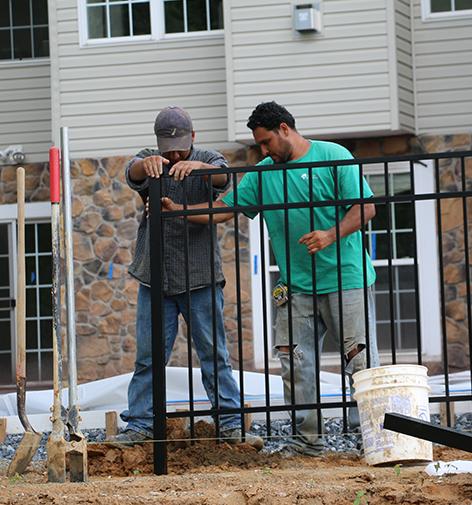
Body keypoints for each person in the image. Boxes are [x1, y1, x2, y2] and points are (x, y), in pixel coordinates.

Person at [161, 101, 378, 458]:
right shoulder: (264, 173)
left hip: (346, 280)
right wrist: (179, 211)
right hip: (296, 287)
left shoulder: (333, 156)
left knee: (361, 362)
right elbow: (225, 209)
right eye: (259, 144)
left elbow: (366, 207)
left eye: (266, 142)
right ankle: (307, 442)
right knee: (294, 362)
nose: (263, 150)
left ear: (285, 129)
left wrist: (330, 235)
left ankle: (371, 439)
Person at [105, 106, 262, 449]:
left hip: (200, 276)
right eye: (167, 149)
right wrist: (147, 164)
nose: (174, 155)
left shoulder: (208, 158)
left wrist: (200, 169)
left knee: (214, 355)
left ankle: (230, 424)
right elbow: (132, 171)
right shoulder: (151, 159)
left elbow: (224, 177)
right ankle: (142, 425)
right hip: (154, 277)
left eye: (180, 148)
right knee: (148, 358)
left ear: (193, 136)